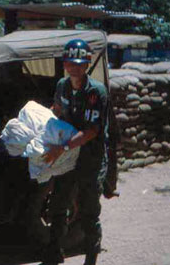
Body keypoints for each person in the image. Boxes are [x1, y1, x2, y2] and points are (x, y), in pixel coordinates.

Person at [40, 39, 109, 265]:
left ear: (87, 64)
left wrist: (63, 147)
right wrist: (44, 120)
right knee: (59, 203)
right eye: (70, 63)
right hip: (68, 155)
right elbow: (58, 108)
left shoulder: (96, 92)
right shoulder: (62, 85)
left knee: (88, 207)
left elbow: (91, 131)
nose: (74, 68)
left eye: (79, 63)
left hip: (90, 156)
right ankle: (54, 252)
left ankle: (92, 254)